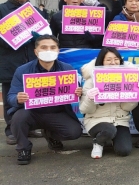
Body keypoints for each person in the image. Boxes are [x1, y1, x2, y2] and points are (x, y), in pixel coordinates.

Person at [7, 35, 83, 165]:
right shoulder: (23, 70)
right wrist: (18, 98)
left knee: (74, 132)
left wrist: (79, 91)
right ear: (36, 51)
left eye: (53, 47)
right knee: (18, 119)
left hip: (56, 112)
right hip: (30, 112)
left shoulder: (67, 69)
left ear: (58, 50)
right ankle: (23, 148)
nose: (48, 50)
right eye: (44, 47)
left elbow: (75, 90)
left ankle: (50, 135)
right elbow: (11, 96)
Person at [1, 0, 49, 145]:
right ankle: (11, 130)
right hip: (10, 64)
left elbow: (46, 36)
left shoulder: (37, 12)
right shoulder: (2, 11)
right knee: (11, 98)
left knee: (32, 96)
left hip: (34, 63)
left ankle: (29, 127)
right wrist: (14, 37)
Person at [79, 47, 139, 158]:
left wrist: (136, 94)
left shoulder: (128, 79)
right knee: (109, 130)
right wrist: (90, 98)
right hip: (96, 121)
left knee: (124, 151)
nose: (113, 62)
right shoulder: (90, 81)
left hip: (120, 120)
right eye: (108, 60)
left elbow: (127, 108)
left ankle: (111, 138)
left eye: (116, 59)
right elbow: (84, 110)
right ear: (101, 61)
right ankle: (98, 142)